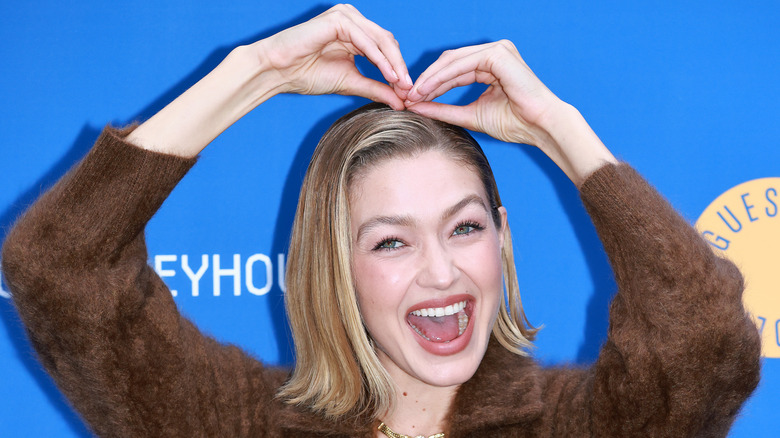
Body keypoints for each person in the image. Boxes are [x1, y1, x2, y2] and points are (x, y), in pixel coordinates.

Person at [1, 4, 760, 437]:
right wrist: (254, 74)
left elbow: (705, 341)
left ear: (502, 237)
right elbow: (61, 270)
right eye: (392, 241)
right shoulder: (239, 421)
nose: (442, 272)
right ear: (335, 263)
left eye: (465, 228)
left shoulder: (574, 425)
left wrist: (561, 131)